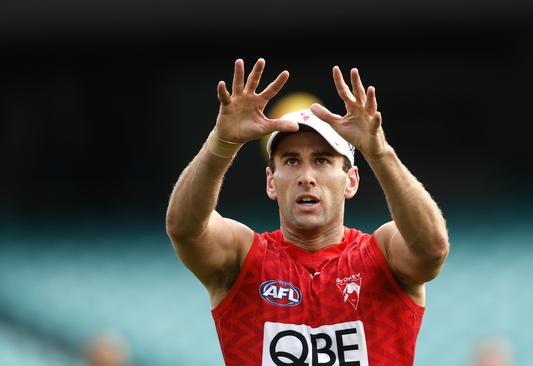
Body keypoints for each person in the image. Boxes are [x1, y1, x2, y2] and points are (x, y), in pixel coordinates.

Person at [165, 58, 450, 365]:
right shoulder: (242, 257)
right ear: (271, 183)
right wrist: (221, 143)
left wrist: (379, 152)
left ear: (351, 181)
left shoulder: (383, 254)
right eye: (291, 161)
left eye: (322, 160)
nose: (306, 177)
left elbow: (432, 249)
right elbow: (185, 229)